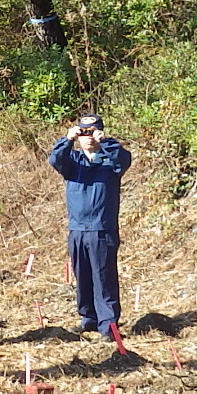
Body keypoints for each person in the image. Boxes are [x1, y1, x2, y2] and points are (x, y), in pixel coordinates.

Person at [49, 114, 132, 336]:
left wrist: (106, 142)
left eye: (92, 132)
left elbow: (124, 159)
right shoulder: (72, 162)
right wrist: (67, 140)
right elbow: (55, 160)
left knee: (104, 278)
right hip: (77, 229)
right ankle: (89, 319)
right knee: (82, 276)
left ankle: (109, 326)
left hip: (102, 229)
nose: (88, 138)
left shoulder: (110, 162)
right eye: (84, 133)